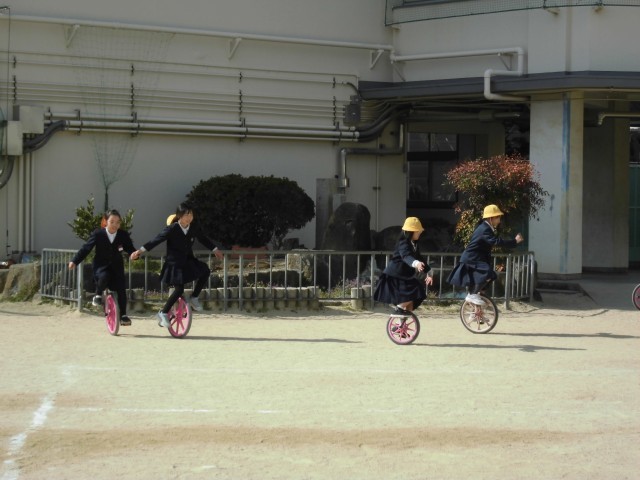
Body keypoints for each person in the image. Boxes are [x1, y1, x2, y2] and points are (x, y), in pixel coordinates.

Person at [130, 202, 225, 327]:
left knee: (205, 271)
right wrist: (139, 251)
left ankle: (194, 297)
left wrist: (215, 250)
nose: (189, 217)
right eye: (186, 214)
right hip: (174, 264)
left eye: (191, 214)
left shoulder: (193, 227)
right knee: (179, 289)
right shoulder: (172, 229)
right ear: (179, 215)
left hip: (188, 261)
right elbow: (156, 240)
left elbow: (203, 238)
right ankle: (163, 313)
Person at [68, 209, 136, 326]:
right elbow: (86, 248)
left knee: (121, 289)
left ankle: (123, 315)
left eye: (118, 222)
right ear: (106, 221)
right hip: (101, 266)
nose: (115, 225)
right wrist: (75, 261)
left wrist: (134, 255)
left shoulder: (123, 235)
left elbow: (130, 249)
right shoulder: (98, 234)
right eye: (112, 222)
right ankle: (98, 294)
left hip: (117, 267)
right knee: (104, 276)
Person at [447, 204, 524, 305]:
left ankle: (476, 302)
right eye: (498, 217)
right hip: (471, 259)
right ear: (491, 218)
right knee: (488, 273)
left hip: (476, 258)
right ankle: (473, 295)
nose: (500, 220)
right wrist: (514, 241)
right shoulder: (484, 229)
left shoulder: (486, 228)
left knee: (490, 277)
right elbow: (496, 242)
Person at [374, 217, 433, 313]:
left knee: (412, 301)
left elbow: (419, 258)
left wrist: (429, 272)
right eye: (418, 231)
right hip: (395, 276)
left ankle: (403, 321)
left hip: (405, 276)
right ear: (411, 232)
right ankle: (399, 308)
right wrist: (416, 263)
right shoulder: (403, 243)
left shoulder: (414, 244)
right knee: (416, 290)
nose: (420, 232)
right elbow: (406, 256)